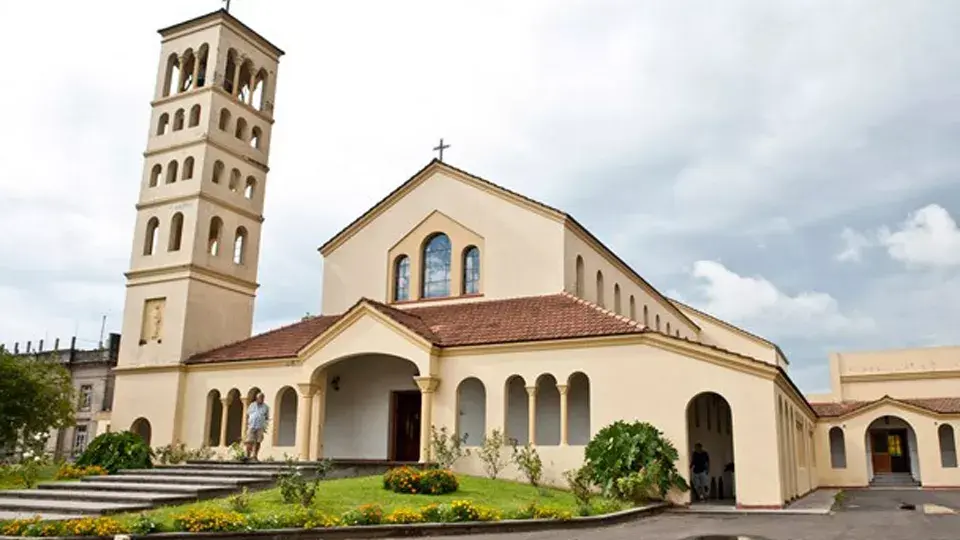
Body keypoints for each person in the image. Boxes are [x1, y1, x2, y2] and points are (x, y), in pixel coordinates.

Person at [244, 392, 270, 461]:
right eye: (260, 398)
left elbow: (267, 417)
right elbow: (247, 415)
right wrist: (247, 424)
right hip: (251, 425)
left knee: (258, 441)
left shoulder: (266, 407)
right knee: (249, 441)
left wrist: (265, 425)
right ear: (257, 398)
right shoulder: (252, 405)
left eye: (262, 398)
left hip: (260, 426)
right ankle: (247, 455)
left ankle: (255, 456)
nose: (261, 399)